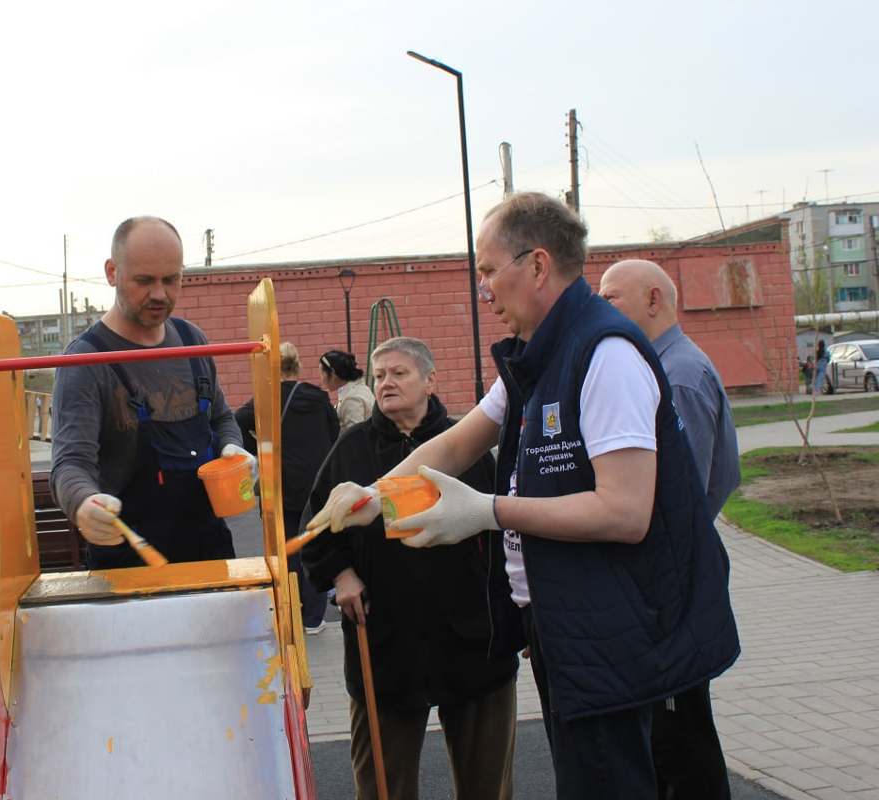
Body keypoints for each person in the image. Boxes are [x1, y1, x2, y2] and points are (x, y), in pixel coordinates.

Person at [309, 192, 739, 800]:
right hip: (566, 622)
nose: (483, 290)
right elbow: (458, 444)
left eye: (488, 271)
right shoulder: (538, 358)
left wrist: (486, 512)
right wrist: (375, 494)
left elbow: (625, 511)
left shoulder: (605, 355)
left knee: (611, 782)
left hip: (616, 629)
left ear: (537, 266)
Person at [302, 336, 517, 800]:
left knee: (488, 785)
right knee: (382, 786)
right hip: (385, 642)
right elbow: (315, 529)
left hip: (472, 641)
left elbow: (507, 534)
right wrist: (341, 577)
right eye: (379, 376)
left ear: (430, 380)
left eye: (399, 373)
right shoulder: (350, 449)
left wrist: (516, 618)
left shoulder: (467, 443)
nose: (386, 384)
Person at [599, 258, 741, 800]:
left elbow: (679, 496)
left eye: (611, 297)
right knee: (670, 735)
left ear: (653, 300)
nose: (600, 306)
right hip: (669, 574)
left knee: (680, 740)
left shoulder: (677, 374)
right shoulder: (663, 367)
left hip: (669, 581)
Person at [50, 216, 255, 569]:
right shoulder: (85, 362)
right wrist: (83, 503)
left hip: (210, 551)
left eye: (171, 280)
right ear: (112, 272)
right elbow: (69, 464)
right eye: (144, 281)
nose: (160, 294)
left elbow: (220, 418)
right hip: (129, 563)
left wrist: (232, 447)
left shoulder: (192, 341)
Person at [234, 342, 338, 634]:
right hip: (317, 484)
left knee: (288, 551)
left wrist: (260, 448)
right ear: (298, 366)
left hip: (282, 487)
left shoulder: (265, 400)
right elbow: (333, 435)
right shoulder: (319, 398)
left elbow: (234, 422)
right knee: (315, 547)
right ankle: (314, 619)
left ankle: (291, 614)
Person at [320, 349, 375, 434]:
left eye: (322, 373)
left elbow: (356, 437)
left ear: (333, 374)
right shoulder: (360, 389)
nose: (321, 378)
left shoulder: (351, 398)